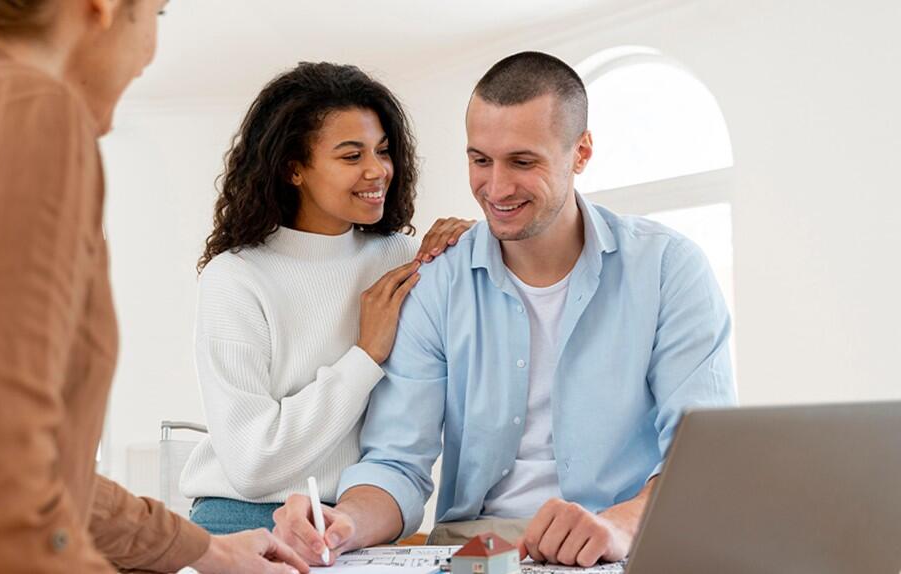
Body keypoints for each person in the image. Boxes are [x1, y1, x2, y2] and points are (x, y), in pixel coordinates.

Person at [0, 1, 308, 572]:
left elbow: (37, 476)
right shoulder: (19, 112)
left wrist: (207, 550)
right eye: (157, 11)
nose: (151, 47)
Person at [272, 51, 737, 568]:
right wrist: (345, 522)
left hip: (622, 536)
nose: (495, 189)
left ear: (580, 152)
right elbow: (397, 464)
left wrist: (619, 526)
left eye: (523, 161)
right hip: (475, 548)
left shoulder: (668, 269)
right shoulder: (438, 283)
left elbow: (704, 461)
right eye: (480, 160)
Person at [180, 61, 473, 535]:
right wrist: (365, 355)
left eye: (382, 150)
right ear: (294, 169)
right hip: (244, 520)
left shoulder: (402, 258)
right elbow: (252, 466)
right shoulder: (236, 278)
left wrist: (472, 245)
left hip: (362, 518)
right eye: (351, 156)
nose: (377, 170)